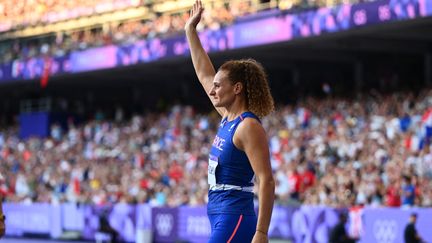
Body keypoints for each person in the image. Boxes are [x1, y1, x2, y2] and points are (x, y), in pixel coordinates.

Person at [185, 1, 275, 242]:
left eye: (218, 86)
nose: (212, 91)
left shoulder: (248, 126)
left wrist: (262, 231)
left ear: (236, 88)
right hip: (217, 211)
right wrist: (190, 32)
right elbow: (204, 74)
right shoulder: (227, 118)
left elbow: (266, 179)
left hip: (234, 214)